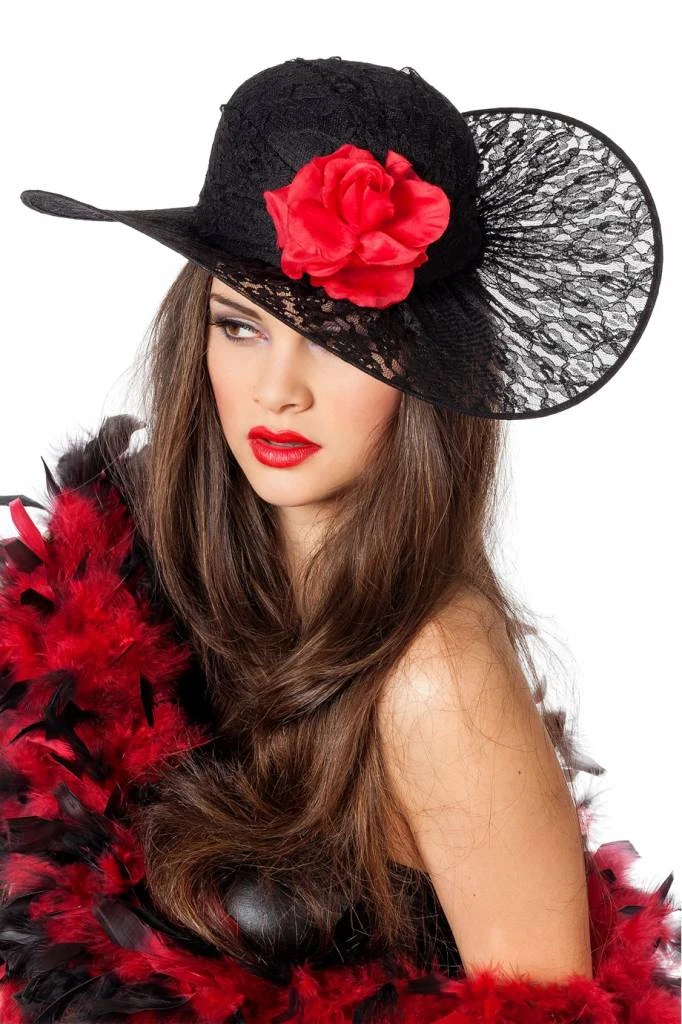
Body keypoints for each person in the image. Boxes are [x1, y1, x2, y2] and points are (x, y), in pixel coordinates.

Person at [0, 55, 678, 1023]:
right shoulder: (131, 591)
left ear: (424, 366)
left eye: (338, 338)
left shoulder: (433, 672)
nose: (279, 390)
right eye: (242, 327)